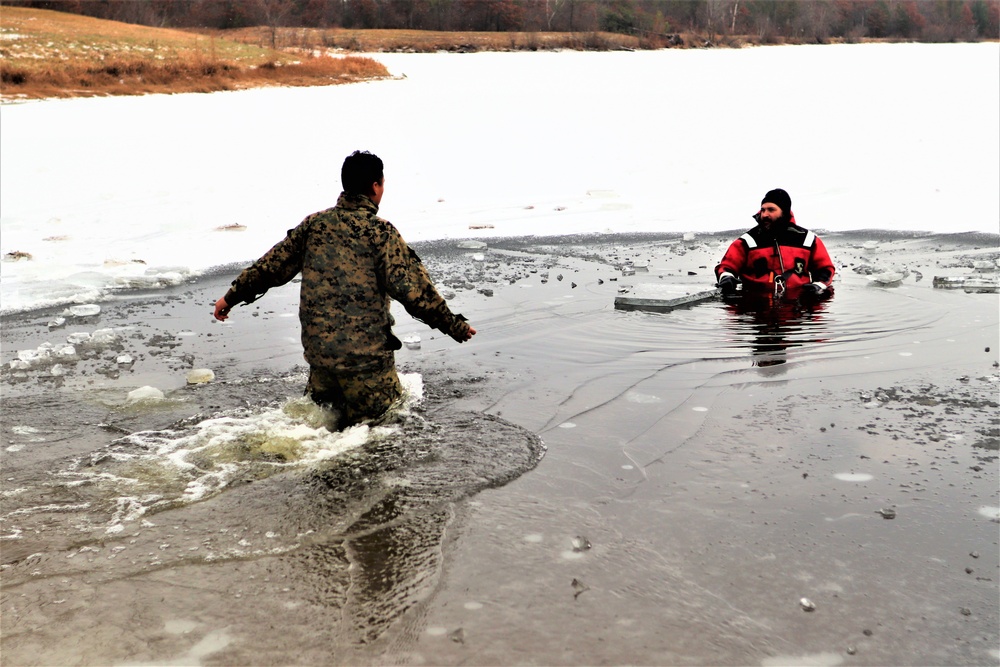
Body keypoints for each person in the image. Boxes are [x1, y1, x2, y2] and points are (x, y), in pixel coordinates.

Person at [213, 150, 476, 428]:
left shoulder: (314, 225)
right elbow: (414, 291)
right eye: (382, 183)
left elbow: (270, 266)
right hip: (367, 366)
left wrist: (231, 297)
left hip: (321, 362)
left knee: (321, 433)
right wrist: (454, 326)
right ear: (376, 186)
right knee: (379, 434)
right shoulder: (380, 232)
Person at [715, 188, 835, 299]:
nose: (765, 214)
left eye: (771, 210)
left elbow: (825, 269)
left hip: (799, 307)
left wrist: (818, 286)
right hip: (755, 307)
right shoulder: (747, 241)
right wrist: (726, 277)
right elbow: (727, 266)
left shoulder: (807, 240)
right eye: (763, 210)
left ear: (784, 212)